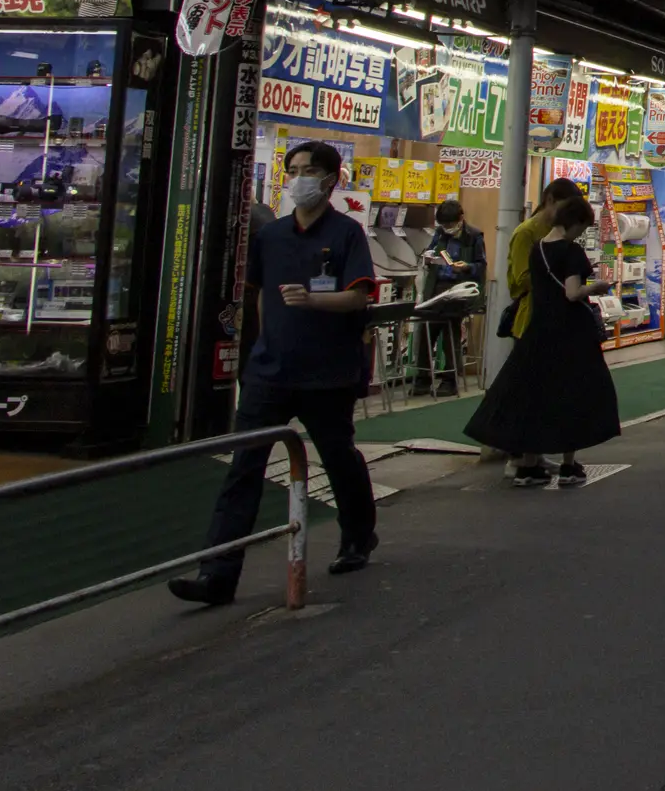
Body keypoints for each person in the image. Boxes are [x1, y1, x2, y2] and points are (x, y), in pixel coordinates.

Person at [169, 142, 381, 605]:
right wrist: (268, 342)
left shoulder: (347, 235)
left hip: (327, 374)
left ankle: (358, 536)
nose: (299, 178)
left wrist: (313, 301)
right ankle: (217, 574)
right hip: (270, 372)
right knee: (244, 468)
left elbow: (359, 297)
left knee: (337, 456)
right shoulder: (271, 237)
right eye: (293, 170)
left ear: (330, 180)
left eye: (309, 170)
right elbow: (262, 294)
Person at [464, 195, 622, 485]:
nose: (581, 232)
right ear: (575, 222)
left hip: (538, 331)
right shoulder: (572, 252)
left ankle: (528, 465)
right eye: (583, 226)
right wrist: (597, 286)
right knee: (573, 394)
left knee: (533, 396)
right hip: (570, 333)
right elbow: (572, 293)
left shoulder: (538, 249)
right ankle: (568, 465)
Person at [504, 177, 587, 347]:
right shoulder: (526, 233)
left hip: (560, 319)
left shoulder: (562, 232)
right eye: (565, 207)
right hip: (532, 318)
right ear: (550, 200)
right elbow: (521, 278)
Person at [418, 198, 487, 393]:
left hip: (459, 289)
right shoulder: (440, 234)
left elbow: (481, 266)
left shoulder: (474, 236)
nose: (447, 228)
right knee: (427, 331)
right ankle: (422, 379)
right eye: (443, 224)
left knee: (450, 332)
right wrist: (430, 258)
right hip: (436, 286)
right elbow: (431, 251)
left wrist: (466, 268)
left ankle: (449, 380)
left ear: (460, 219)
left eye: (450, 224)